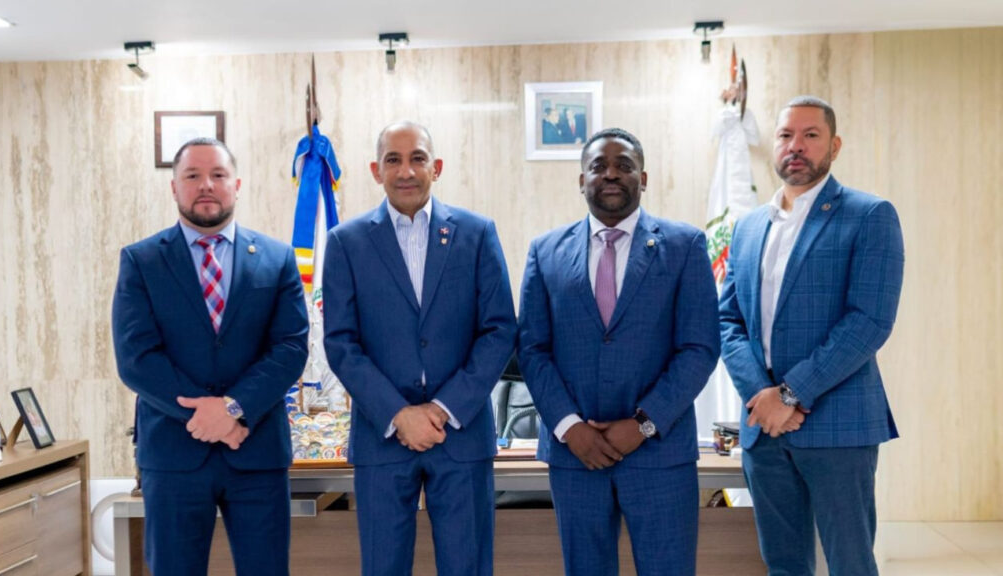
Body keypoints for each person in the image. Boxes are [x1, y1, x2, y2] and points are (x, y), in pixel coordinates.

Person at [518, 128, 720, 576]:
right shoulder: (545, 252)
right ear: (581, 180)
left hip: (660, 454)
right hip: (575, 455)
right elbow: (532, 350)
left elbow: (699, 347)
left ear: (643, 179)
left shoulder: (684, 246)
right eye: (598, 166)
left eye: (624, 165)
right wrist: (570, 428)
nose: (611, 174)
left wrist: (644, 424)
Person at [718, 96, 905, 576]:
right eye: (785, 135)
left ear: (834, 146)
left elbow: (869, 320)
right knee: (783, 564)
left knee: (850, 564)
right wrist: (762, 396)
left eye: (810, 135)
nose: (795, 146)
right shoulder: (747, 228)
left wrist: (790, 394)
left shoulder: (869, 215)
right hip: (763, 430)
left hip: (838, 426)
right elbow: (728, 321)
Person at [322, 121, 517, 576]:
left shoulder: (476, 233)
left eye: (417, 159)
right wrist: (398, 413)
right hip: (382, 437)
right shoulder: (346, 242)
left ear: (437, 167)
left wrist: (444, 408)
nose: (406, 171)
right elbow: (341, 342)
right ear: (376, 170)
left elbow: (499, 330)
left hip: (461, 435)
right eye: (393, 160)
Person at [112, 138, 309, 576]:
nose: (206, 185)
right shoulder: (142, 261)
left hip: (256, 450)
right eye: (192, 176)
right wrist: (208, 416)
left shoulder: (276, 259)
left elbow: (291, 347)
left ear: (236, 185)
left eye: (218, 175)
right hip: (173, 455)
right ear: (174, 187)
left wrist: (234, 408)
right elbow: (136, 357)